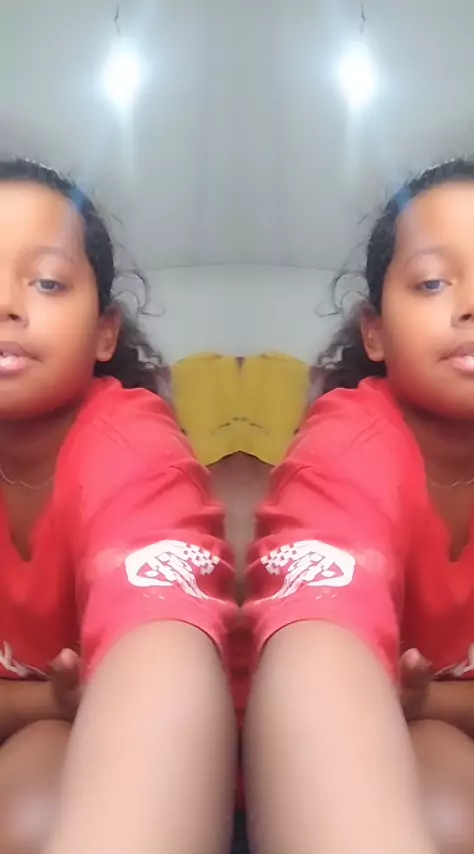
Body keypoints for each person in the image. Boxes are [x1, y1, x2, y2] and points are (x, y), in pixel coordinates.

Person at [0, 158, 237, 854]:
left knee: (37, 795)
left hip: (96, 763)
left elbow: (163, 659)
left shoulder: (131, 446)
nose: (7, 305)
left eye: (47, 281)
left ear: (105, 332)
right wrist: (44, 699)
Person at [244, 158, 474, 854]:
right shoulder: (348, 446)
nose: (472, 305)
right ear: (374, 332)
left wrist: (433, 698)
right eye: (433, 282)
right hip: (384, 759)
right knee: (444, 800)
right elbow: (316, 659)